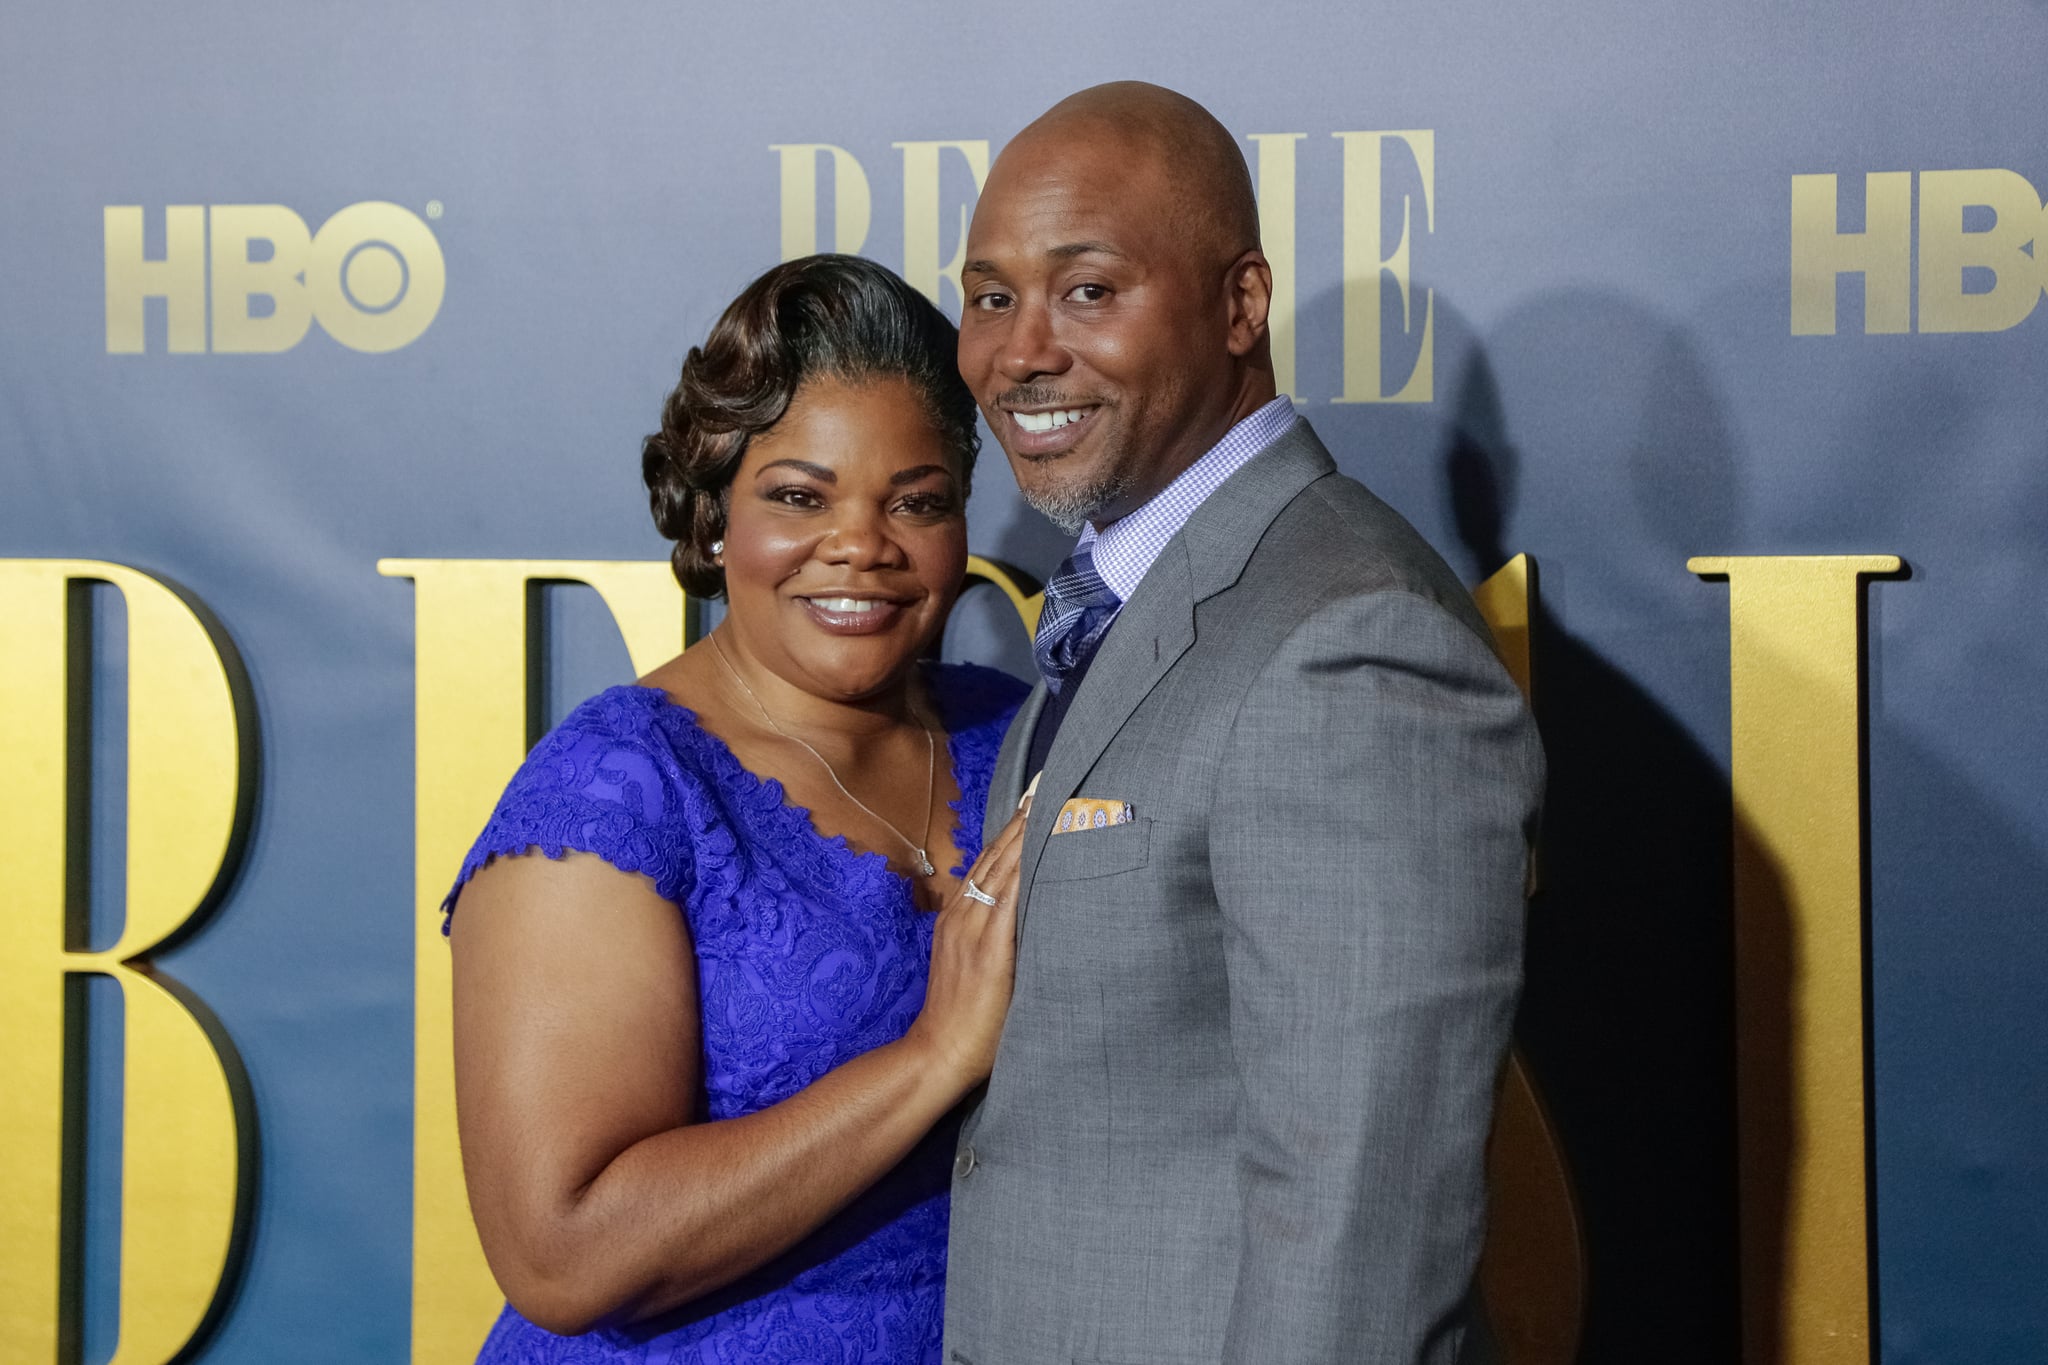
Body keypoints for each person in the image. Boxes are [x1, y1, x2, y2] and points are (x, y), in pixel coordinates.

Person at [942, 83, 1545, 1365]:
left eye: (1087, 290)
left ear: (1240, 303)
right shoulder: (1140, 587)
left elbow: (1362, 1227)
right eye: (988, 296)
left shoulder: (1348, 636)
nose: (1019, 351)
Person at [444, 254, 1031, 1364]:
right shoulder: (619, 786)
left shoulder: (1023, 737)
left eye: (916, 501)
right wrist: (932, 1058)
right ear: (715, 518)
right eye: (799, 497)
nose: (860, 544)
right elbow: (562, 1256)